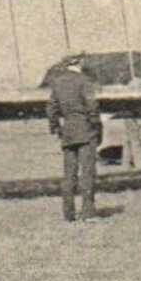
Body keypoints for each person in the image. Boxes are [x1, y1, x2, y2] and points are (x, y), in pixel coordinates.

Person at [46, 51, 101, 223]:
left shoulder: (57, 82)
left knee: (69, 174)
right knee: (88, 173)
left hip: (68, 131)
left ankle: (68, 214)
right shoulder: (85, 81)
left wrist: (55, 127)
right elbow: (92, 106)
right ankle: (89, 213)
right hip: (85, 130)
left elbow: (51, 108)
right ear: (79, 62)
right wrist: (95, 124)